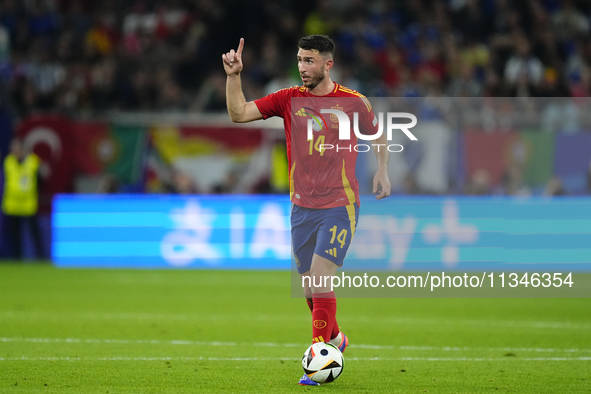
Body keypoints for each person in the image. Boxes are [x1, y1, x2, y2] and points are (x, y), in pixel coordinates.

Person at [222, 34, 391, 385]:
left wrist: (383, 171)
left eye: (310, 61)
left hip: (340, 204)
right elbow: (239, 114)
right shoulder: (287, 100)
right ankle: (336, 337)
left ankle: (318, 355)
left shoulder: (353, 102)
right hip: (301, 207)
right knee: (308, 288)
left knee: (318, 276)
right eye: (299, 60)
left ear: (328, 64)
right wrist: (233, 76)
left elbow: (379, 135)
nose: (302, 67)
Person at [1, 138, 44, 260]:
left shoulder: (33, 161)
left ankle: (41, 258)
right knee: (14, 235)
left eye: (17, 148)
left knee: (34, 233)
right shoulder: (8, 162)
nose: (15, 150)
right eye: (13, 148)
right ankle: (16, 258)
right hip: (12, 204)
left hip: (28, 204)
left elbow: (40, 181)